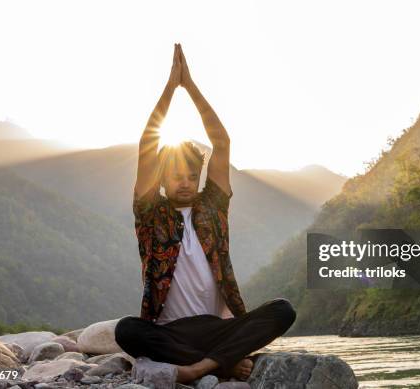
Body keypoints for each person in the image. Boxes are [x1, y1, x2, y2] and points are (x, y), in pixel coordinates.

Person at [114, 43, 296, 385]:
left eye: (190, 176)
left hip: (217, 329)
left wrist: (191, 86)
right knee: (126, 330)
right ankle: (225, 363)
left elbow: (221, 142)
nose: (184, 183)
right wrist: (171, 88)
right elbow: (146, 147)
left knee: (283, 309)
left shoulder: (212, 207)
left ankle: (198, 368)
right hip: (170, 333)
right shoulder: (151, 214)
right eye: (176, 176)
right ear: (164, 179)